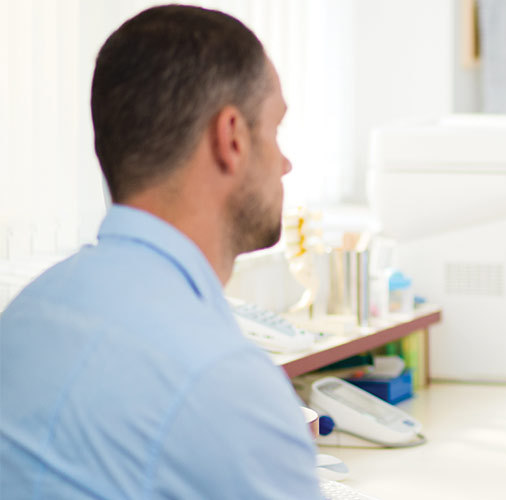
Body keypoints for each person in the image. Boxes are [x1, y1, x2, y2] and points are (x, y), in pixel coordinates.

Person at [0, 5, 321, 498]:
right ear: (231, 137)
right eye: (274, 130)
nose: (285, 162)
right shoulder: (228, 386)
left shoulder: (24, 317)